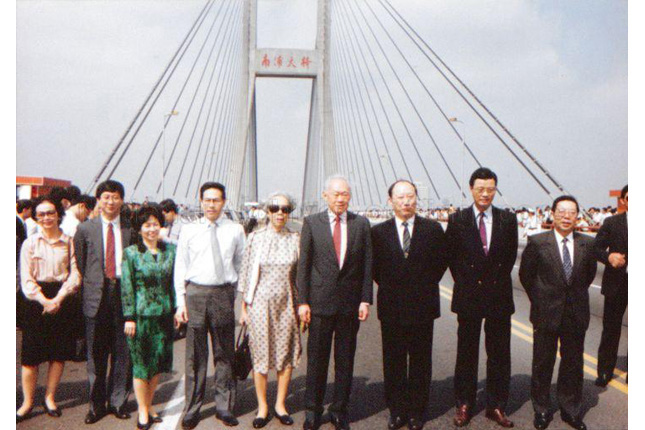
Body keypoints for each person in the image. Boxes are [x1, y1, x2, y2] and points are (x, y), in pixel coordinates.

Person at [297, 175, 373, 430]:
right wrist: (303, 301)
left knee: (345, 360)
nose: (341, 199)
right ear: (325, 195)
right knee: (317, 361)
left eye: (345, 194)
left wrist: (365, 299)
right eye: (336, 194)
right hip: (319, 304)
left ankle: (339, 409)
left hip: (349, 306)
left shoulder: (361, 224)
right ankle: (313, 411)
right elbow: (304, 267)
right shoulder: (311, 223)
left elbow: (366, 266)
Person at [371, 180, 448, 430]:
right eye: (401, 197)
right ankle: (397, 411)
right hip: (391, 305)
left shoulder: (433, 229)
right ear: (390, 200)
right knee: (393, 361)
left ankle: (417, 412)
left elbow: (440, 265)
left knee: (420, 361)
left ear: (417, 199)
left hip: (422, 305)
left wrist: (419, 286)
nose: (406, 202)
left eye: (411, 196)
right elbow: (375, 270)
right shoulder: (379, 232)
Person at [445, 167, 518, 428]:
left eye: (490, 189)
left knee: (499, 353)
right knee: (467, 352)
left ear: (496, 190)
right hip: (469, 295)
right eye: (480, 189)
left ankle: (495, 405)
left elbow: (509, 258)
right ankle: (464, 403)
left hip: (498, 294)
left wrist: (491, 281)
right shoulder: (457, 220)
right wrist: (468, 282)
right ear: (471, 189)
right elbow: (452, 258)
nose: (485, 194)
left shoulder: (508, 220)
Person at [519, 196, 597, 430]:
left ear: (577, 216)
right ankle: (541, 409)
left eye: (571, 212)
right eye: (561, 211)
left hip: (575, 312)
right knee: (543, 362)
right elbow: (526, 276)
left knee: (573, 363)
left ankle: (570, 409)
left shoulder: (587, 243)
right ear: (552, 214)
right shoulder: (537, 242)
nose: (566, 216)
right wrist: (541, 299)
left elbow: (588, 276)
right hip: (546, 312)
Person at [174, 182, 246, 429]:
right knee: (195, 355)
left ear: (224, 202)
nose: (211, 204)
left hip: (222, 293)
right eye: (207, 200)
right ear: (201, 201)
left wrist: (234, 292)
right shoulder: (189, 230)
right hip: (195, 293)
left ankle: (224, 407)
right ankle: (192, 408)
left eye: (216, 200)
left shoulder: (235, 229)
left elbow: (241, 263)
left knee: (224, 353)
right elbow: (180, 267)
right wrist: (179, 301)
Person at [238, 192, 301, 429]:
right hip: (260, 305)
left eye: (285, 209)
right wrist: (244, 308)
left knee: (285, 356)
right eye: (275, 208)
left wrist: (302, 306)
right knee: (261, 356)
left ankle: (280, 405)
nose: (280, 213)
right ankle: (262, 406)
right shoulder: (255, 238)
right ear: (267, 211)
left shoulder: (295, 239)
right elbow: (245, 273)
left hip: (287, 304)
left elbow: (300, 276)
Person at [74, 180, 135, 424]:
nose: (111, 201)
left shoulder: (130, 229)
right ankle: (96, 405)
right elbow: (81, 261)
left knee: (122, 353)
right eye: (106, 197)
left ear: (122, 200)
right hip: (96, 297)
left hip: (123, 294)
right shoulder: (85, 229)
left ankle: (118, 401)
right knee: (96, 355)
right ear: (99, 199)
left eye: (116, 197)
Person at [17, 195, 81, 422]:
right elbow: (26, 279)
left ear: (58, 215)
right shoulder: (30, 243)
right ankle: (26, 403)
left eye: (50, 213)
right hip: (36, 302)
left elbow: (74, 273)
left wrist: (59, 298)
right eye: (41, 214)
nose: (46, 218)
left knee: (58, 353)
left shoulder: (69, 241)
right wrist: (45, 301)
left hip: (62, 299)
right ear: (36, 216)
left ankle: (50, 398)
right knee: (30, 356)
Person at [121, 204, 177, 430]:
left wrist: (175, 310)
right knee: (141, 365)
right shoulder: (131, 253)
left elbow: (174, 283)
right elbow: (127, 287)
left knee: (158, 364)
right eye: (147, 225)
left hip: (164, 315)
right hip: (141, 316)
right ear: (140, 228)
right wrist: (129, 316)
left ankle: (150, 404)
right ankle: (142, 409)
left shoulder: (170, 251)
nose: (152, 229)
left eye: (155, 224)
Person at [594, 185, 628, 387]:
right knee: (611, 328)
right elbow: (595, 248)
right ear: (624, 200)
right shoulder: (612, 223)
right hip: (617, 282)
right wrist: (609, 256)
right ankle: (605, 371)